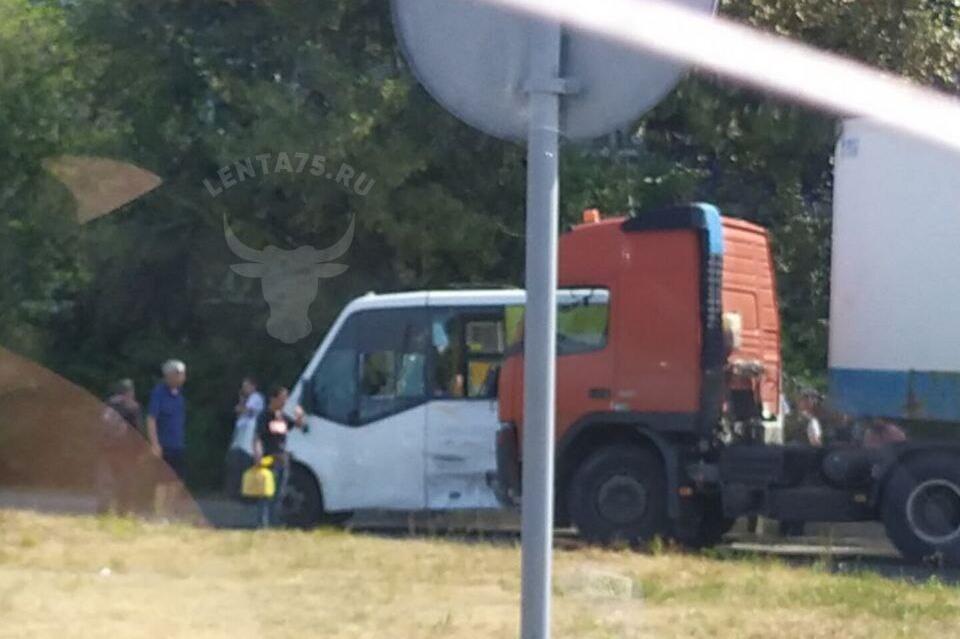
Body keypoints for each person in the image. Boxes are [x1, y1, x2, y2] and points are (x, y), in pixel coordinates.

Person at [252, 385, 306, 528]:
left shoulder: (282, 417)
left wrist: (300, 415)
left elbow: (300, 426)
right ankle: (262, 524)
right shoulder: (264, 416)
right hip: (269, 459)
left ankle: (275, 522)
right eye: (282, 398)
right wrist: (257, 454)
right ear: (273, 399)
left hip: (283, 460)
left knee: (279, 494)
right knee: (266, 494)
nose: (284, 402)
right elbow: (257, 437)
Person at [146, 359, 187, 518]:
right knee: (162, 481)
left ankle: (169, 512)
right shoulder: (159, 392)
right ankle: (159, 513)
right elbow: (151, 418)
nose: (182, 377)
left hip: (178, 443)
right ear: (169, 375)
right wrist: (155, 443)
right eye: (179, 374)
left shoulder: (180, 396)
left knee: (177, 481)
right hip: (164, 443)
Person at [96, 378, 143, 515]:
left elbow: (99, 427)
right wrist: (139, 451)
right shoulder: (132, 406)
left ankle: (103, 510)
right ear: (130, 392)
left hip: (106, 449)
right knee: (125, 482)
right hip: (126, 451)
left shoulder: (107, 405)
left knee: (105, 482)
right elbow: (137, 431)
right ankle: (122, 511)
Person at [225, 375, 265, 496]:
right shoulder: (247, 399)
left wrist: (241, 406)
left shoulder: (256, 397)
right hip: (241, 436)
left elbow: (245, 410)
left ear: (253, 386)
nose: (244, 389)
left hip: (248, 438)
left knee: (245, 464)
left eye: (246, 386)